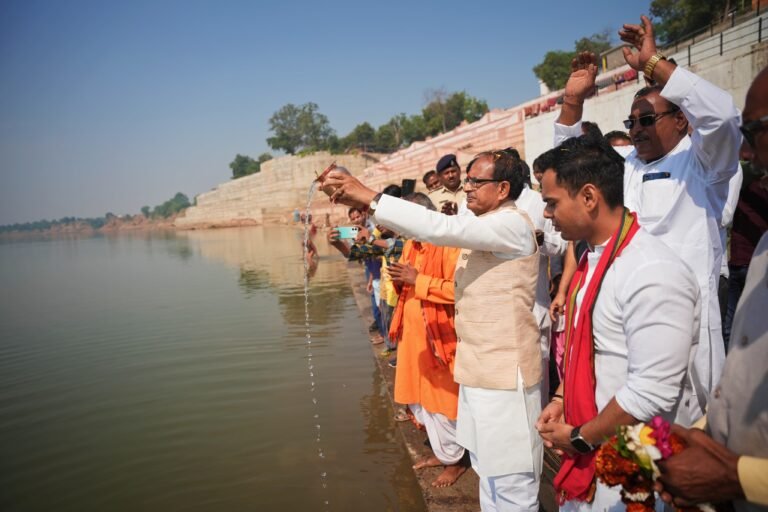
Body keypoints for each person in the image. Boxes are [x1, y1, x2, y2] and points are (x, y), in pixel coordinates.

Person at [322, 150, 544, 512]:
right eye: (467, 181)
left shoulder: (511, 225)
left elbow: (439, 227)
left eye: (476, 182)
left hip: (506, 377)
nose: (467, 188)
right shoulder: (483, 225)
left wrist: (369, 196)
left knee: (512, 485)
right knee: (489, 475)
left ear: (503, 188)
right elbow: (413, 232)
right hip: (479, 371)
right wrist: (358, 208)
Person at [554, 16, 741, 407]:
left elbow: (722, 116)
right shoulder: (625, 165)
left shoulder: (705, 163)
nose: (637, 129)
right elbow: (567, 169)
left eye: (647, 120)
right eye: (632, 122)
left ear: (681, 119)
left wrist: (654, 64)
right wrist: (572, 102)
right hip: (620, 318)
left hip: (684, 327)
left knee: (681, 425)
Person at [535, 135, 702, 512]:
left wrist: (579, 437)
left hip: (632, 465)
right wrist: (562, 398)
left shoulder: (651, 271)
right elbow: (590, 351)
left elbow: (651, 392)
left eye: (552, 202)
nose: (546, 213)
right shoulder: (592, 261)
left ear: (589, 197)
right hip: (593, 450)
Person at [655, 65, 768, 512]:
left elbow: (718, 117)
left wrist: (737, 477)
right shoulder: (765, 246)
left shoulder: (701, 163)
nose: (747, 151)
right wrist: (702, 438)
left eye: (755, 131)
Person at [385, 192, 466, 488]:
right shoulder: (410, 244)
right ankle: (441, 452)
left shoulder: (449, 244)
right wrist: (401, 279)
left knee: (443, 398)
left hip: (439, 339)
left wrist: (416, 279)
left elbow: (461, 289)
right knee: (420, 398)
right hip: (412, 338)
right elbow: (407, 282)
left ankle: (456, 461)